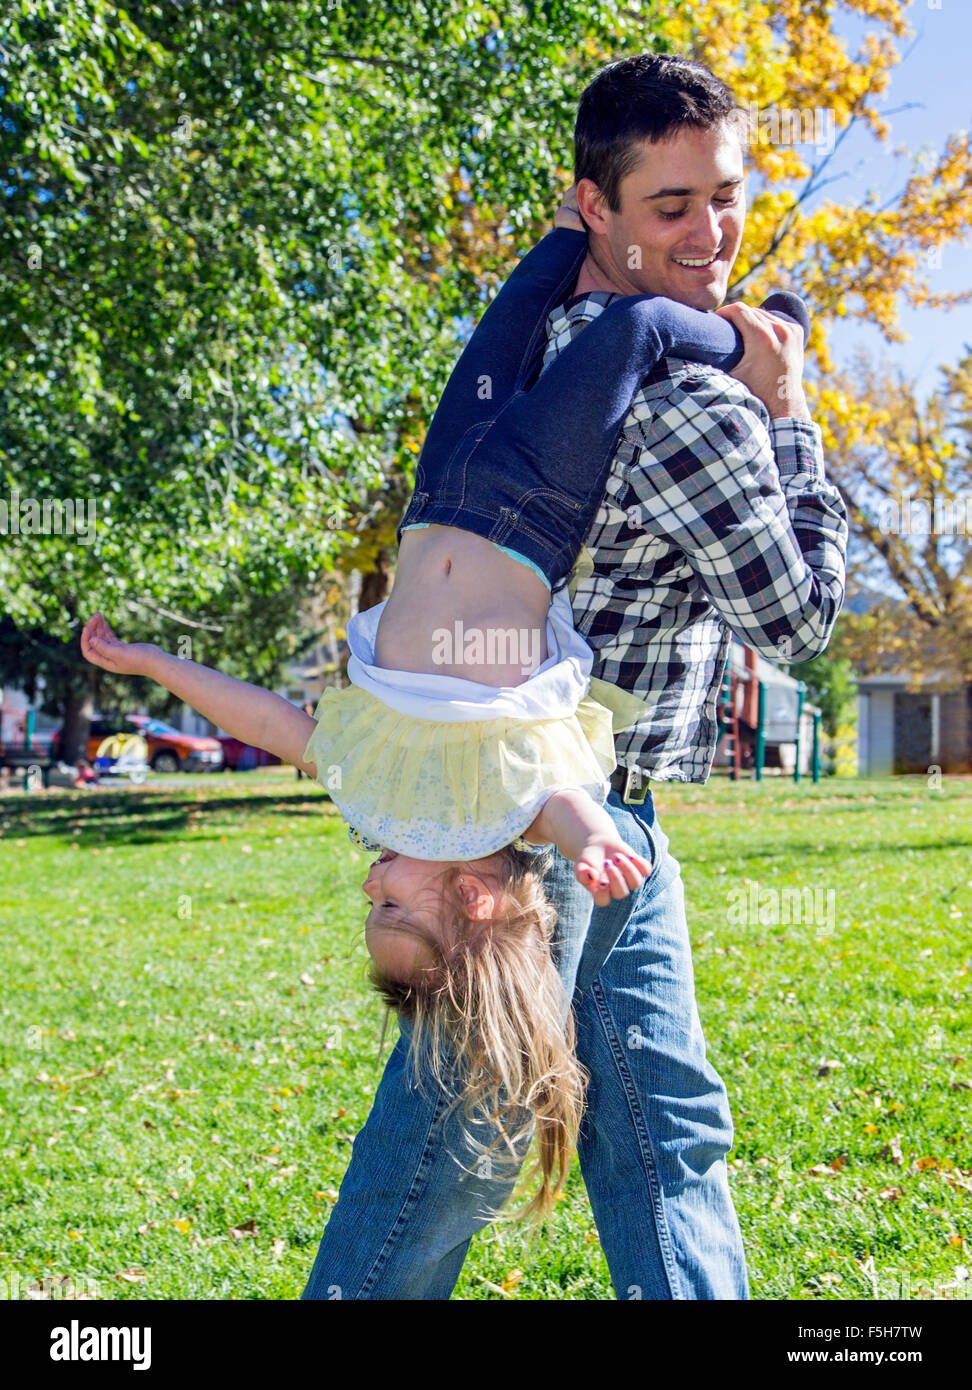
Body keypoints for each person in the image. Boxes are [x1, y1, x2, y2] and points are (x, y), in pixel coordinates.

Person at [79, 182, 794, 1222]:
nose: (369, 884)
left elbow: (264, 719)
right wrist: (594, 840)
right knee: (639, 326)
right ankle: (767, 346)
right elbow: (568, 803)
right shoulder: (512, 809)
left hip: (439, 490)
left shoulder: (375, 794)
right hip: (532, 508)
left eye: (370, 907)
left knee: (521, 299)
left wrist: (153, 666)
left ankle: (578, 227)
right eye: (389, 907)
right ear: (469, 900)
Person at [298, 51, 849, 1300]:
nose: (714, 233)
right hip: (541, 823)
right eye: (674, 205)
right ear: (593, 205)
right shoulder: (693, 406)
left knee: (662, 1136)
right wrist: (795, 414)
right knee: (447, 1151)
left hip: (601, 810)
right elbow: (802, 619)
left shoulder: (541, 338)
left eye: (729, 194)